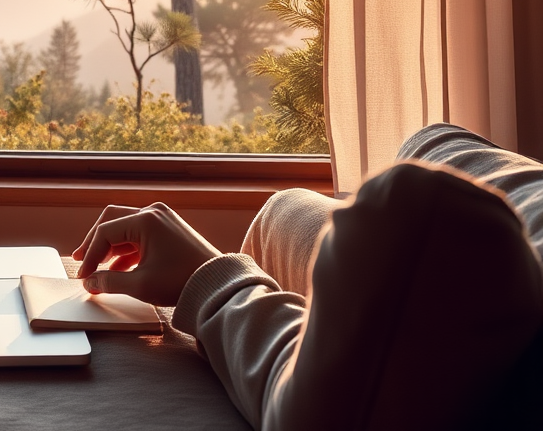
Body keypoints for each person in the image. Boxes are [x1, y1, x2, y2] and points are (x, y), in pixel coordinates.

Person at [73, 124, 543, 431]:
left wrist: (210, 278)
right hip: (477, 173)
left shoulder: (432, 239)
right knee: (428, 144)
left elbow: (316, 412)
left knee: (409, 203)